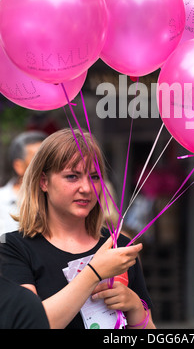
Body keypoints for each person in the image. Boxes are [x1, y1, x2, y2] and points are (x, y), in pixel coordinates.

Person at [0, 128, 155, 330]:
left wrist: (135, 307)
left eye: (95, 177)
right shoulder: (13, 248)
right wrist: (94, 273)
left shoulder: (118, 245)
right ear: (44, 182)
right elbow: (27, 323)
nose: (87, 188)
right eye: (72, 176)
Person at [0, 130, 47, 235]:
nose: (47, 164)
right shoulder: (2, 202)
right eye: (38, 159)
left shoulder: (59, 199)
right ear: (19, 166)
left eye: (50, 157)